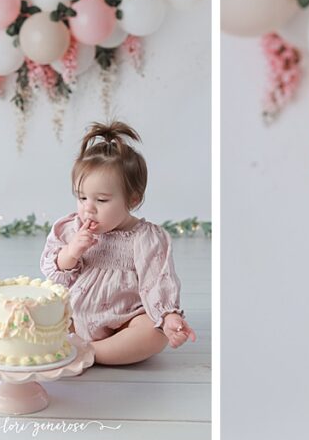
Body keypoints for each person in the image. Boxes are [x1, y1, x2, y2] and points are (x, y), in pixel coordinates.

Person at [40, 121, 197, 365]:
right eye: (81, 197)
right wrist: (71, 252)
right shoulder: (70, 228)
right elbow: (54, 273)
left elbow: (158, 281)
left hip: (124, 320)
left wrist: (169, 317)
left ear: (132, 199)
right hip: (75, 314)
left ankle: (89, 352)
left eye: (101, 200)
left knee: (153, 335)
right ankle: (71, 343)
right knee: (38, 313)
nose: (88, 208)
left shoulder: (145, 237)